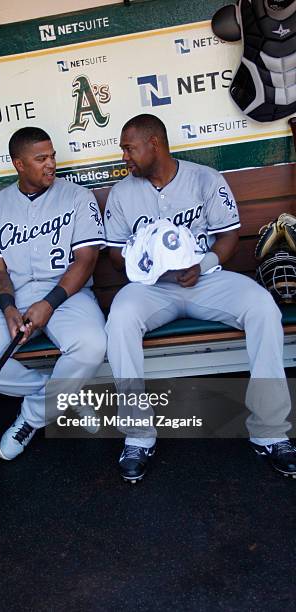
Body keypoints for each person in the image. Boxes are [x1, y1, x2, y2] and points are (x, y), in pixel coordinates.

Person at [104, 113, 296, 483]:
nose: (125, 157)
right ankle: (138, 435)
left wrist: (205, 262)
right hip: (152, 287)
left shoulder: (204, 179)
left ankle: (270, 430)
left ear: (153, 144)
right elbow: (113, 254)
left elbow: (227, 236)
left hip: (206, 280)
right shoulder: (122, 193)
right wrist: (149, 266)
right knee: (121, 317)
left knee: (261, 308)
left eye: (129, 148)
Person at [0, 127, 107, 460]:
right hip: (16, 295)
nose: (51, 163)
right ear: (19, 164)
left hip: (68, 295)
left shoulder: (77, 197)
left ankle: (31, 417)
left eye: (52, 156)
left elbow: (87, 260)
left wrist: (50, 303)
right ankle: (63, 393)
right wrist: (8, 308)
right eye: (41, 159)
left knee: (93, 344)